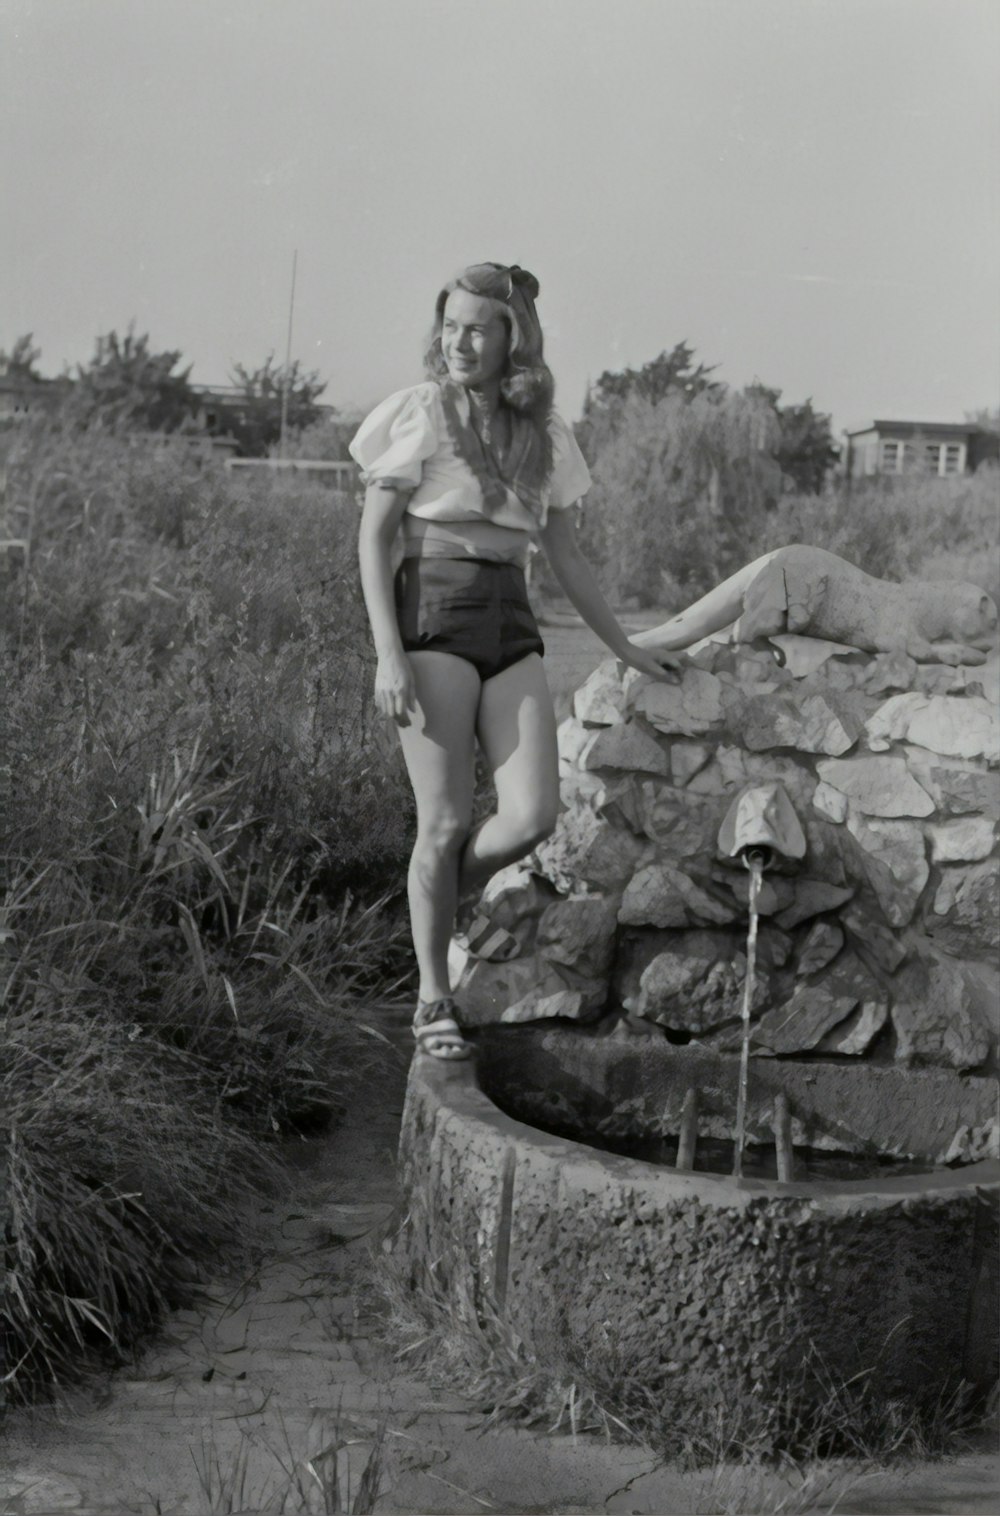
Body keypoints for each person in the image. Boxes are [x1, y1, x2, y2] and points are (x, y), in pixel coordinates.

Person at [352, 262, 677, 1060]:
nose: (458, 341)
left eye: (477, 328)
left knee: (533, 814)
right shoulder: (421, 412)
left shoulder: (547, 433)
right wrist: (387, 656)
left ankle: (422, 908)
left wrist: (627, 646)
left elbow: (565, 556)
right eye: (450, 325)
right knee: (448, 820)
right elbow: (374, 539)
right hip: (433, 613)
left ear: (513, 339)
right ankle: (433, 1001)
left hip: (511, 618)